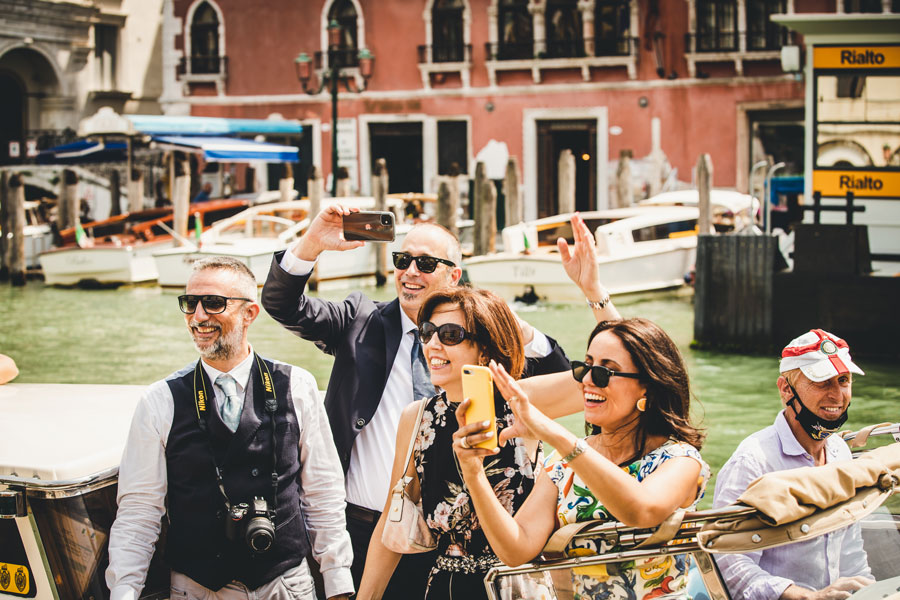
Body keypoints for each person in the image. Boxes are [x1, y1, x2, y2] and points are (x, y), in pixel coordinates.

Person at [261, 205, 619, 595]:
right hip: (368, 529)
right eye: (403, 259)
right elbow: (282, 305)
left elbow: (608, 376)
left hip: (479, 562)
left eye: (426, 263)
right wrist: (311, 244)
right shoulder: (369, 337)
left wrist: (587, 295)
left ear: (453, 275)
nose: (410, 271)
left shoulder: (509, 391)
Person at [106, 257, 353, 600]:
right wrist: (124, 590)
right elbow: (139, 510)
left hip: (285, 585)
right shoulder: (160, 400)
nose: (198, 316)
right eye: (190, 303)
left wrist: (338, 580)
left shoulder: (297, 385)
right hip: (197, 587)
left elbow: (323, 492)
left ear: (250, 313)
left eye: (213, 303)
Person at [454, 317, 710, 600]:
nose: (588, 380)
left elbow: (641, 512)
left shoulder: (681, 459)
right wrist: (472, 471)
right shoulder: (562, 464)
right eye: (585, 367)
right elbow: (516, 549)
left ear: (646, 386)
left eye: (605, 372)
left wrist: (554, 434)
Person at [357, 287, 545, 599]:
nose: (432, 344)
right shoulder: (418, 417)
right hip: (445, 587)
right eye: (427, 333)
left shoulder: (524, 403)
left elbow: (615, 380)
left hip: (514, 587)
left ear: (484, 348)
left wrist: (594, 294)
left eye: (450, 334)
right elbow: (395, 513)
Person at [713, 329, 874, 600]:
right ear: (786, 389)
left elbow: (851, 553)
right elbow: (729, 563)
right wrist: (802, 596)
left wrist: (871, 590)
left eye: (843, 381)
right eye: (823, 382)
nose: (837, 395)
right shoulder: (752, 461)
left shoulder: (840, 452)